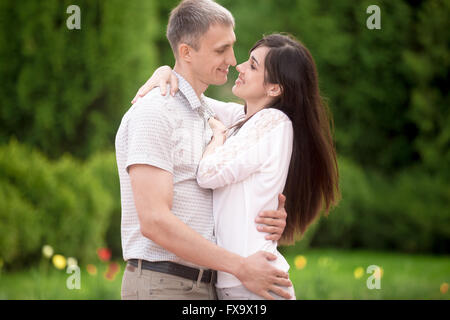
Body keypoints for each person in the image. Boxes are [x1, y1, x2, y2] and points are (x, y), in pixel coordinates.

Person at [134, 33, 341, 300]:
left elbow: (207, 174)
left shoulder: (273, 121)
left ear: (275, 88)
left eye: (253, 65)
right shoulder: (244, 120)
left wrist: (217, 137)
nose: (239, 66)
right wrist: (164, 71)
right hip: (239, 282)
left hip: (256, 285)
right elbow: (192, 97)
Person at [115, 0, 293, 300]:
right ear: (186, 52)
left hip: (210, 284)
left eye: (232, 47)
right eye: (220, 50)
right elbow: (154, 221)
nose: (233, 59)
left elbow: (264, 123)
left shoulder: (208, 113)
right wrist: (240, 266)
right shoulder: (155, 112)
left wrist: (270, 209)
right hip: (164, 285)